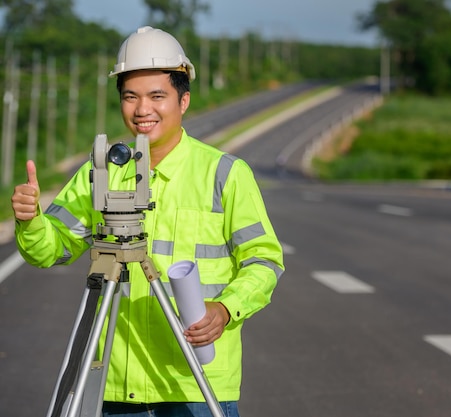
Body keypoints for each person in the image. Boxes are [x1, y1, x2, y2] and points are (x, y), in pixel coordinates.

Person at [11, 26, 284, 417]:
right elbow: (50, 251)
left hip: (195, 382)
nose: (142, 110)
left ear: (183, 100)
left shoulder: (224, 173)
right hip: (115, 387)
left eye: (158, 96)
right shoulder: (100, 171)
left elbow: (264, 260)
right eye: (130, 97)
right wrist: (31, 219)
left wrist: (225, 309)